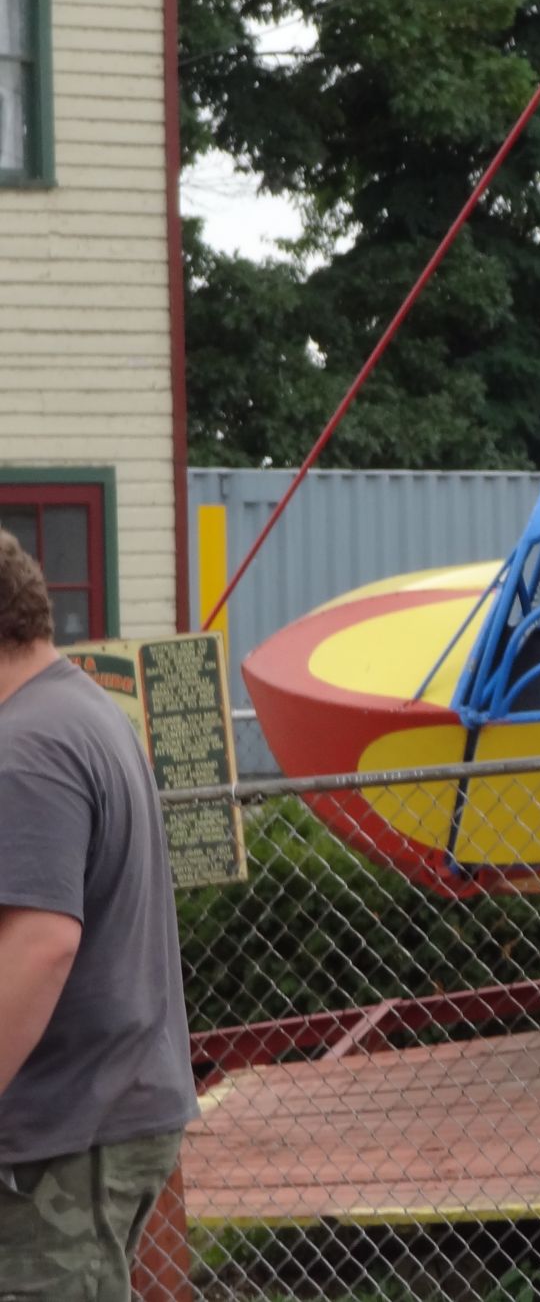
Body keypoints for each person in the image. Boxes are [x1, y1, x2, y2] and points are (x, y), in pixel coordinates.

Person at [0, 531, 197, 1301]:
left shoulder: (25, 748)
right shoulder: (79, 709)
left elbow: (41, 942)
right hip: (101, 1117)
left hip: (61, 1141)